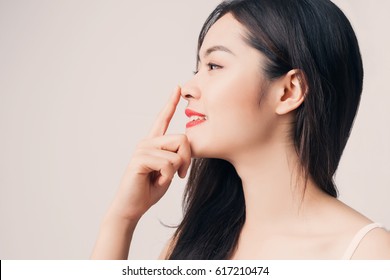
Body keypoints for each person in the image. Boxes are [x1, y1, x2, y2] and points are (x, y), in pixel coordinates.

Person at [91, 0, 390, 259]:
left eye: (214, 66)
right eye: (198, 68)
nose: (188, 89)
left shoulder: (367, 255)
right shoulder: (193, 243)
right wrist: (122, 218)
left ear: (288, 91)